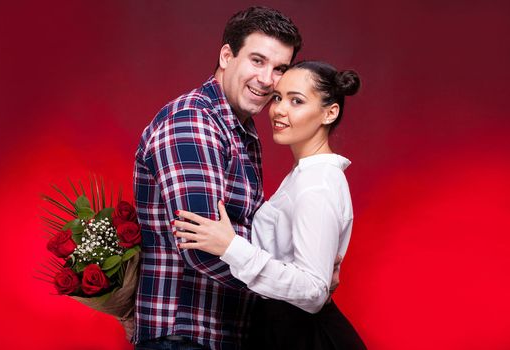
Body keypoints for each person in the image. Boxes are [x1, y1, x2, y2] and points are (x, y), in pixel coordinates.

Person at [133, 6, 302, 350]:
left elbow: (236, 236)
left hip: (219, 334)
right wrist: (294, 282)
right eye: (257, 61)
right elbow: (204, 247)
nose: (267, 79)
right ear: (227, 55)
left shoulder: (236, 127)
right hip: (184, 335)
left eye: (279, 68)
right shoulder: (193, 123)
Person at [173, 61, 367, 349]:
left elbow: (313, 291)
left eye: (296, 101)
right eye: (277, 97)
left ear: (330, 113)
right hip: (282, 327)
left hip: (302, 334)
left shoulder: (317, 183)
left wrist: (230, 247)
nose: (278, 110)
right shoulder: (305, 176)